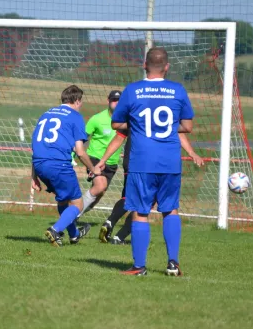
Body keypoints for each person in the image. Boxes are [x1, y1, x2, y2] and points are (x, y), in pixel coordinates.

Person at [110, 47, 194, 276]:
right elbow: (187, 127)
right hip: (170, 161)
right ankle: (173, 264)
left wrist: (138, 125)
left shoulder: (133, 90)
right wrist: (165, 127)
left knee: (140, 212)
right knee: (171, 210)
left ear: (144, 65)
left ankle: (139, 266)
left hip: (142, 161)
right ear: (167, 67)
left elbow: (116, 124)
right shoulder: (177, 90)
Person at [95, 131, 204, 245]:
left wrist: (103, 160)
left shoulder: (134, 114)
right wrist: (191, 152)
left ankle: (110, 221)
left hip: (132, 159)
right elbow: (182, 130)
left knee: (128, 196)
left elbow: (119, 135)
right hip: (153, 162)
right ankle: (120, 237)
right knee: (145, 203)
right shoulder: (164, 115)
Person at [31, 85, 100, 247]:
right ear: (76, 101)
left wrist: (34, 175)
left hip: (40, 164)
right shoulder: (75, 116)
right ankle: (55, 230)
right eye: (81, 101)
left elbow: (35, 145)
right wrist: (93, 168)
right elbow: (80, 152)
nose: (81, 104)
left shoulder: (46, 114)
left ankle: (75, 235)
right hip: (58, 164)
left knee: (63, 201)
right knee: (77, 204)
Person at [76, 90, 124, 220]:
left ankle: (75, 214)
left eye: (119, 101)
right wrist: (71, 154)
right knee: (100, 185)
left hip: (112, 162)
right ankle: (73, 214)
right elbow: (81, 139)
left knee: (100, 192)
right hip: (95, 158)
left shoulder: (126, 120)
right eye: (114, 100)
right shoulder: (97, 119)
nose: (116, 103)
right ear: (108, 101)